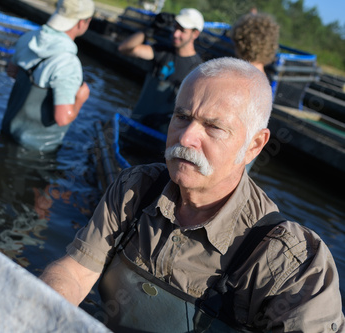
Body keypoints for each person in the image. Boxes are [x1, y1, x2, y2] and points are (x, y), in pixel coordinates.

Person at [39, 57, 344, 332]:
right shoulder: (135, 189)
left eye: (213, 127)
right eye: (182, 117)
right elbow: (76, 272)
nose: (186, 138)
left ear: (254, 145)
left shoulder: (290, 262)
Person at [0, 0, 93, 153]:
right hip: (36, 150)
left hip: (7, 131)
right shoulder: (68, 63)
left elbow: (11, 71)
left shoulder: (29, 38)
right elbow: (62, 118)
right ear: (82, 23)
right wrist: (80, 99)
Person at [117, 8, 204, 131]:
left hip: (161, 135)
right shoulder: (161, 51)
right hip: (136, 124)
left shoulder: (197, 69)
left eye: (182, 31)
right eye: (175, 28)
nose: (175, 34)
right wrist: (151, 29)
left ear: (195, 34)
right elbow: (124, 48)